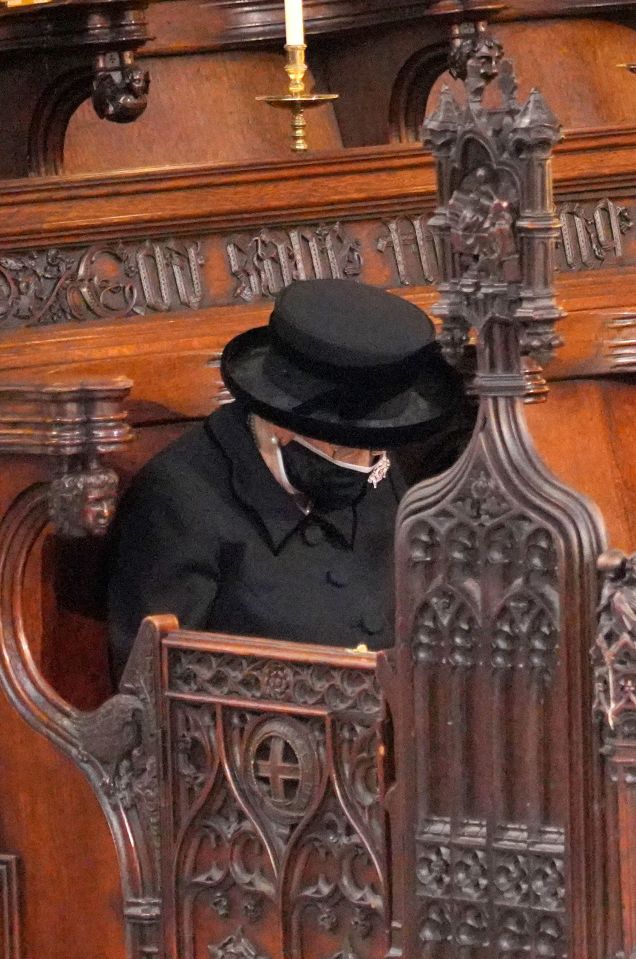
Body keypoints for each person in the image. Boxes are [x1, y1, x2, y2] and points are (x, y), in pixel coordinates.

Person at [107, 279, 470, 681]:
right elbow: (156, 692)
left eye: (377, 450)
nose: (368, 466)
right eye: (348, 449)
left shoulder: (375, 464)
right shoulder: (180, 501)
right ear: (283, 423)